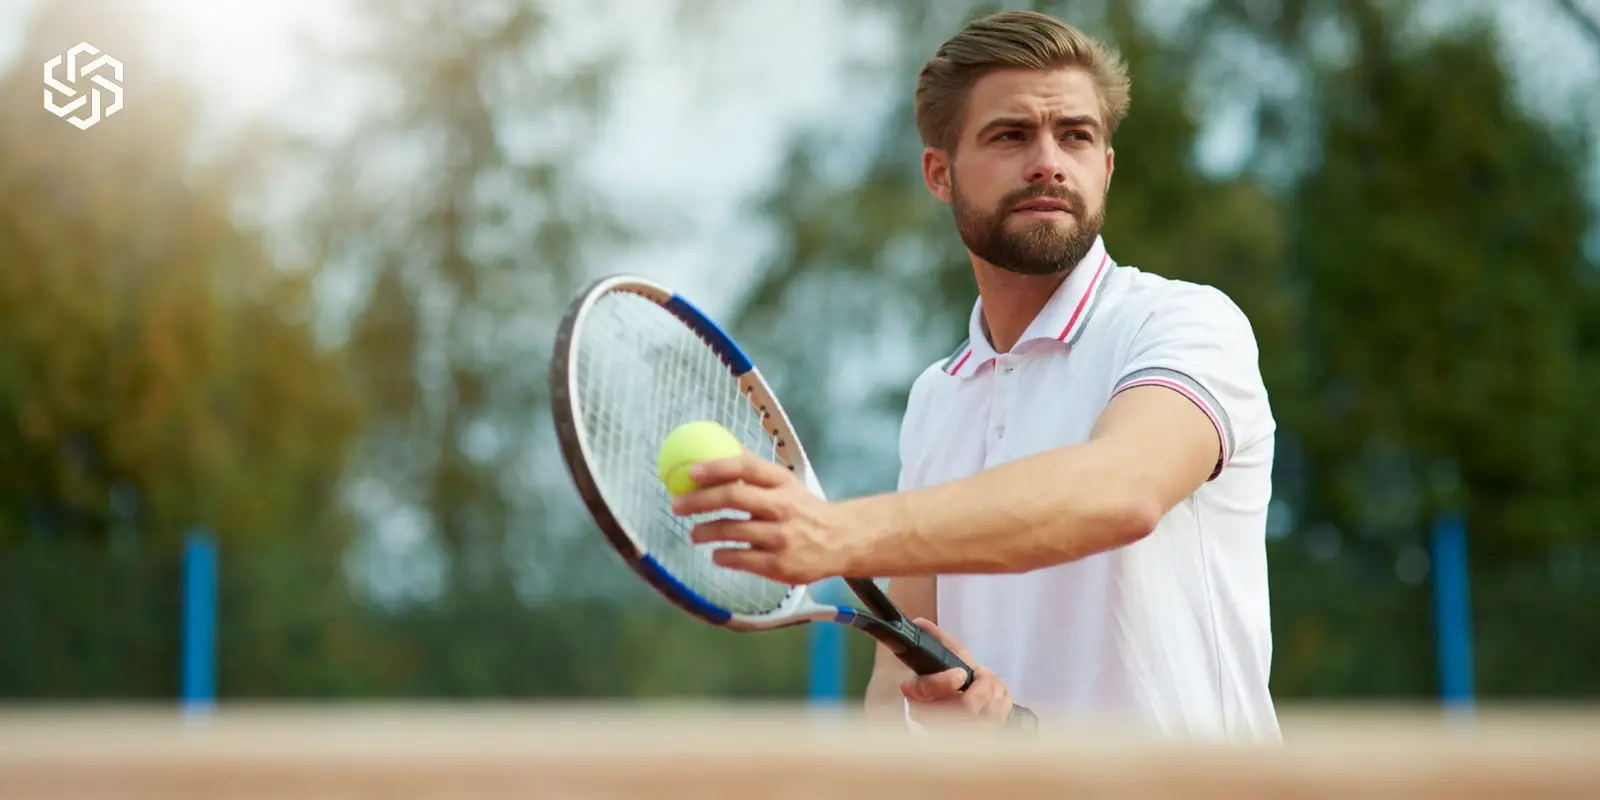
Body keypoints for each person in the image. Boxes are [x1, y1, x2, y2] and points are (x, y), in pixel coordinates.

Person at [670, 10, 1280, 744]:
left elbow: (1124, 489)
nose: (1049, 160)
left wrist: (835, 532)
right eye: (1011, 134)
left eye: (1076, 135)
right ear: (940, 173)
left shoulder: (1185, 325)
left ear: (1107, 166)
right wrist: (961, 727)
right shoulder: (937, 398)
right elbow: (897, 683)